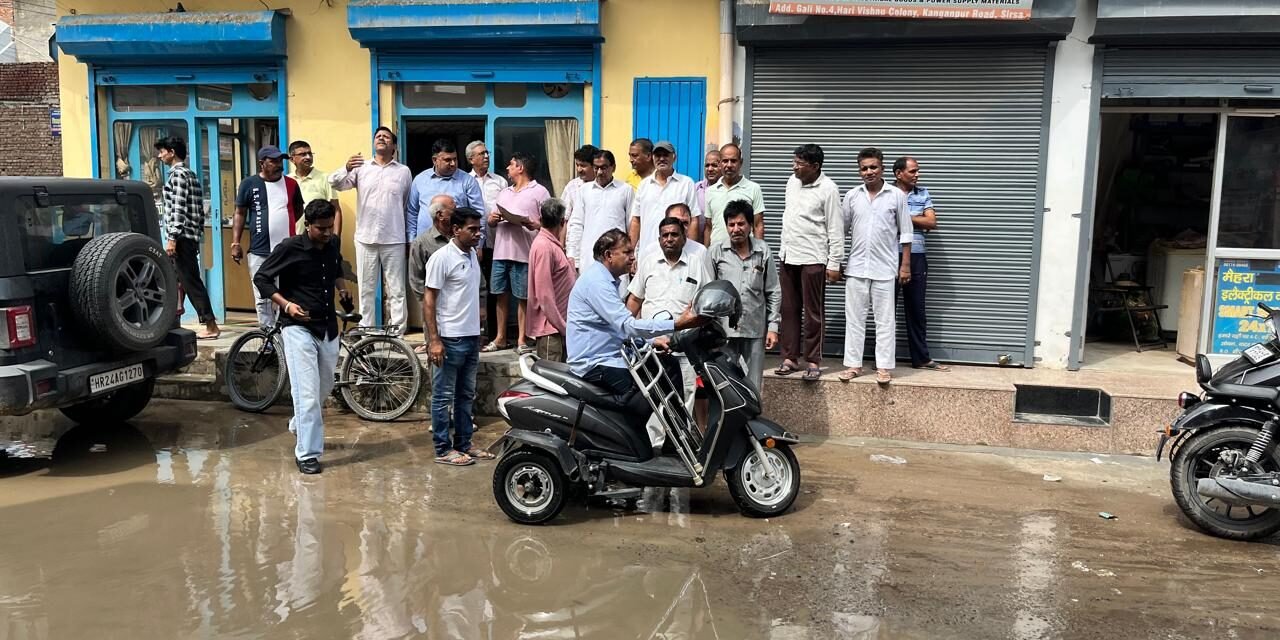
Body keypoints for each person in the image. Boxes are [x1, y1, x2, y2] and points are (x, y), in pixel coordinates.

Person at [567, 229, 706, 456]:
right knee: (644, 392)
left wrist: (650, 342)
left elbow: (618, 329)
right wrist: (677, 324)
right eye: (627, 252)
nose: (632, 257)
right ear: (609, 255)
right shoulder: (596, 283)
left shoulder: (608, 281)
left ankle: (675, 444)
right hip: (596, 363)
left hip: (613, 356)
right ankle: (630, 444)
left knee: (669, 366)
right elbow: (627, 325)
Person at [253, 199, 353, 475]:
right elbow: (262, 278)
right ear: (307, 225)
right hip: (297, 328)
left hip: (327, 326)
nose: (327, 232)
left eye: (330, 227)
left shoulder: (332, 244)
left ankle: (300, 424)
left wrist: (342, 290)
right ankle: (308, 454)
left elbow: (335, 269)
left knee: (324, 387)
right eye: (321, 228)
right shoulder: (289, 248)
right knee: (307, 394)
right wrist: (286, 305)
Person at [627, 216, 715, 450]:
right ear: (659, 239)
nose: (669, 239)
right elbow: (634, 300)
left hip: (683, 350)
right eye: (665, 235)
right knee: (652, 402)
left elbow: (706, 304)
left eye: (674, 234)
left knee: (683, 403)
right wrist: (623, 329)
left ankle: (678, 453)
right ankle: (653, 452)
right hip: (651, 350)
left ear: (684, 237)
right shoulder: (649, 262)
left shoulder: (696, 263)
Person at [422, 207, 493, 467]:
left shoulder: (472, 254)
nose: (478, 234)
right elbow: (429, 299)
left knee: (465, 395)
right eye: (472, 229)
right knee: (442, 397)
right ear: (455, 230)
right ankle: (443, 449)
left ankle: (464, 444)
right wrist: (434, 340)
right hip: (449, 339)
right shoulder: (441, 258)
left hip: (471, 337)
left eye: (479, 229)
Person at [329, 126, 413, 334]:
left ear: (394, 146)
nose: (381, 138)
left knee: (396, 289)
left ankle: (397, 332)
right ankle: (366, 330)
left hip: (393, 237)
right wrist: (346, 167)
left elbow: (406, 204)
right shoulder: (361, 168)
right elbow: (335, 183)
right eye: (378, 136)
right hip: (365, 238)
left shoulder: (403, 171)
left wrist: (406, 237)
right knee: (366, 288)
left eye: (386, 137)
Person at [839, 147, 912, 386]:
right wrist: (837, 261)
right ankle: (853, 365)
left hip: (885, 268)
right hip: (856, 267)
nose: (869, 172)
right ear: (859, 171)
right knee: (855, 318)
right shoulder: (852, 196)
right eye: (864, 168)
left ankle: (883, 367)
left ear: (882, 168)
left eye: (873, 167)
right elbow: (841, 231)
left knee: (885, 320)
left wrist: (905, 265)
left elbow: (906, 232)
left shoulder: (896, 195)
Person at [777, 143, 844, 383]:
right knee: (788, 310)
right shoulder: (791, 182)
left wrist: (834, 262)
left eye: (799, 163)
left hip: (813, 257)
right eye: (794, 162)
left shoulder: (829, 189)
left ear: (815, 166)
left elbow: (836, 227)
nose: (794, 167)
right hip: (788, 255)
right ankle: (789, 358)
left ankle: (813, 360)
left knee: (813, 312)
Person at [709, 200, 781, 393]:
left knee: (753, 387)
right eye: (731, 224)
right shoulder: (716, 252)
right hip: (723, 333)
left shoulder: (762, 251)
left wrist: (773, 327)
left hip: (754, 330)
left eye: (741, 224)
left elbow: (773, 291)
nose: (736, 229)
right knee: (725, 387)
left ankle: (753, 414)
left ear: (750, 225)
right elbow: (707, 291)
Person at [231, 145, 305, 328]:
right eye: (273, 161)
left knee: (286, 293)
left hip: (287, 251)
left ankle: (283, 332)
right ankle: (267, 334)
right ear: (261, 163)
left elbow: (298, 209)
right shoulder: (249, 184)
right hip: (260, 250)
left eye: (280, 160)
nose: (278, 164)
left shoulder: (291, 184)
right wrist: (235, 242)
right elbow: (240, 213)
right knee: (262, 296)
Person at [156, 136, 220, 340]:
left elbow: (178, 209)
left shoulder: (178, 176)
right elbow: (199, 211)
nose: (160, 156)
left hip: (182, 238)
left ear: (172, 152)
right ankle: (172, 323)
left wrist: (172, 238)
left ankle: (210, 324)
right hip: (188, 237)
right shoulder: (190, 174)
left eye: (162, 151)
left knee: (190, 281)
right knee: (175, 280)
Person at [486, 152, 549, 354]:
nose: (507, 168)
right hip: (500, 251)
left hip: (524, 252)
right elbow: (491, 221)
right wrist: (492, 219)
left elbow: (548, 223)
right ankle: (500, 337)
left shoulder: (540, 192)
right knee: (500, 295)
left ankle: (522, 338)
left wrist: (533, 224)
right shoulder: (504, 192)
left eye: (511, 164)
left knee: (523, 297)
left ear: (520, 168)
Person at [410, 194, 489, 354]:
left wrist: (481, 305)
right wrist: (431, 311)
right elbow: (417, 281)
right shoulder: (423, 243)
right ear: (440, 215)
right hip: (442, 324)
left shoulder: (468, 247)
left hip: (468, 326)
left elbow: (478, 280)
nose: (457, 211)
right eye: (453, 209)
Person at [894, 156, 948, 372]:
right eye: (913, 171)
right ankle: (883, 358)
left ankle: (921, 358)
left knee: (916, 309)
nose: (918, 174)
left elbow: (931, 222)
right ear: (899, 174)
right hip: (889, 255)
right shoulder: (887, 193)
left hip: (916, 257)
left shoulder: (922, 193)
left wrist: (904, 217)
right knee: (885, 310)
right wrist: (917, 217)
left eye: (917, 171)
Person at [408, 139, 486, 250]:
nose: (453, 163)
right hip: (425, 244)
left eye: (455, 159)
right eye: (448, 160)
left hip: (457, 244)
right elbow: (412, 212)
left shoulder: (467, 181)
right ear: (435, 160)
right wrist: (411, 240)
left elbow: (478, 214)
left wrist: (478, 245)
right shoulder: (420, 180)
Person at [526, 198, 576, 362]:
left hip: (558, 329)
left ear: (541, 220)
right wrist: (563, 327)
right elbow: (544, 296)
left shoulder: (552, 245)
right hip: (551, 331)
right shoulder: (544, 247)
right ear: (562, 222)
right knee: (551, 377)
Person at [629, 141, 701, 253]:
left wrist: (690, 252)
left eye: (666, 155)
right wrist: (630, 252)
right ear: (652, 158)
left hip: (677, 252)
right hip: (647, 252)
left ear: (674, 157)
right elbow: (636, 221)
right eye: (658, 155)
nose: (661, 159)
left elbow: (694, 219)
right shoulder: (644, 185)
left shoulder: (686, 183)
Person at [467, 140, 507, 340]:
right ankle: (473, 332)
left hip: (496, 243)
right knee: (471, 288)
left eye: (487, 153)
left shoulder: (500, 181)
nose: (486, 156)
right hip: (471, 245)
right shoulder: (464, 180)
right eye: (481, 154)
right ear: (471, 159)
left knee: (493, 289)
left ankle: (491, 334)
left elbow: (507, 207)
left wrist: (498, 216)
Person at [567, 149, 633, 271]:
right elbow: (576, 225)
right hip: (589, 257)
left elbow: (632, 226)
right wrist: (573, 256)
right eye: (596, 168)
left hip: (618, 258)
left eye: (604, 168)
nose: (599, 172)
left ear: (613, 167)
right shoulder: (584, 191)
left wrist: (632, 255)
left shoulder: (625, 190)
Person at [704, 143, 766, 246]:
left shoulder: (753, 188)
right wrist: (707, 251)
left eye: (733, 161)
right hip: (717, 251)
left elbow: (758, 225)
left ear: (740, 163)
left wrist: (759, 251)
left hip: (745, 252)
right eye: (725, 161)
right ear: (720, 164)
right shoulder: (710, 191)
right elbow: (708, 227)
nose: (729, 165)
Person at [287, 140, 343, 237]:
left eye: (310, 153)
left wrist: (336, 237)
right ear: (292, 159)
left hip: (319, 239)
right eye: (303, 154)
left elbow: (336, 210)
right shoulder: (288, 180)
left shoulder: (325, 178)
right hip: (293, 238)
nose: (308, 157)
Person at [561, 144, 598, 242]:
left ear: (594, 166)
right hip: (574, 243)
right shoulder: (572, 186)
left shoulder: (604, 188)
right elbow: (564, 220)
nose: (579, 169)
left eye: (583, 166)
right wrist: (561, 245)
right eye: (577, 165)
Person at [694, 149, 721, 216]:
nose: (710, 169)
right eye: (707, 165)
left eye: (714, 165)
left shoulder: (728, 189)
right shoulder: (696, 188)